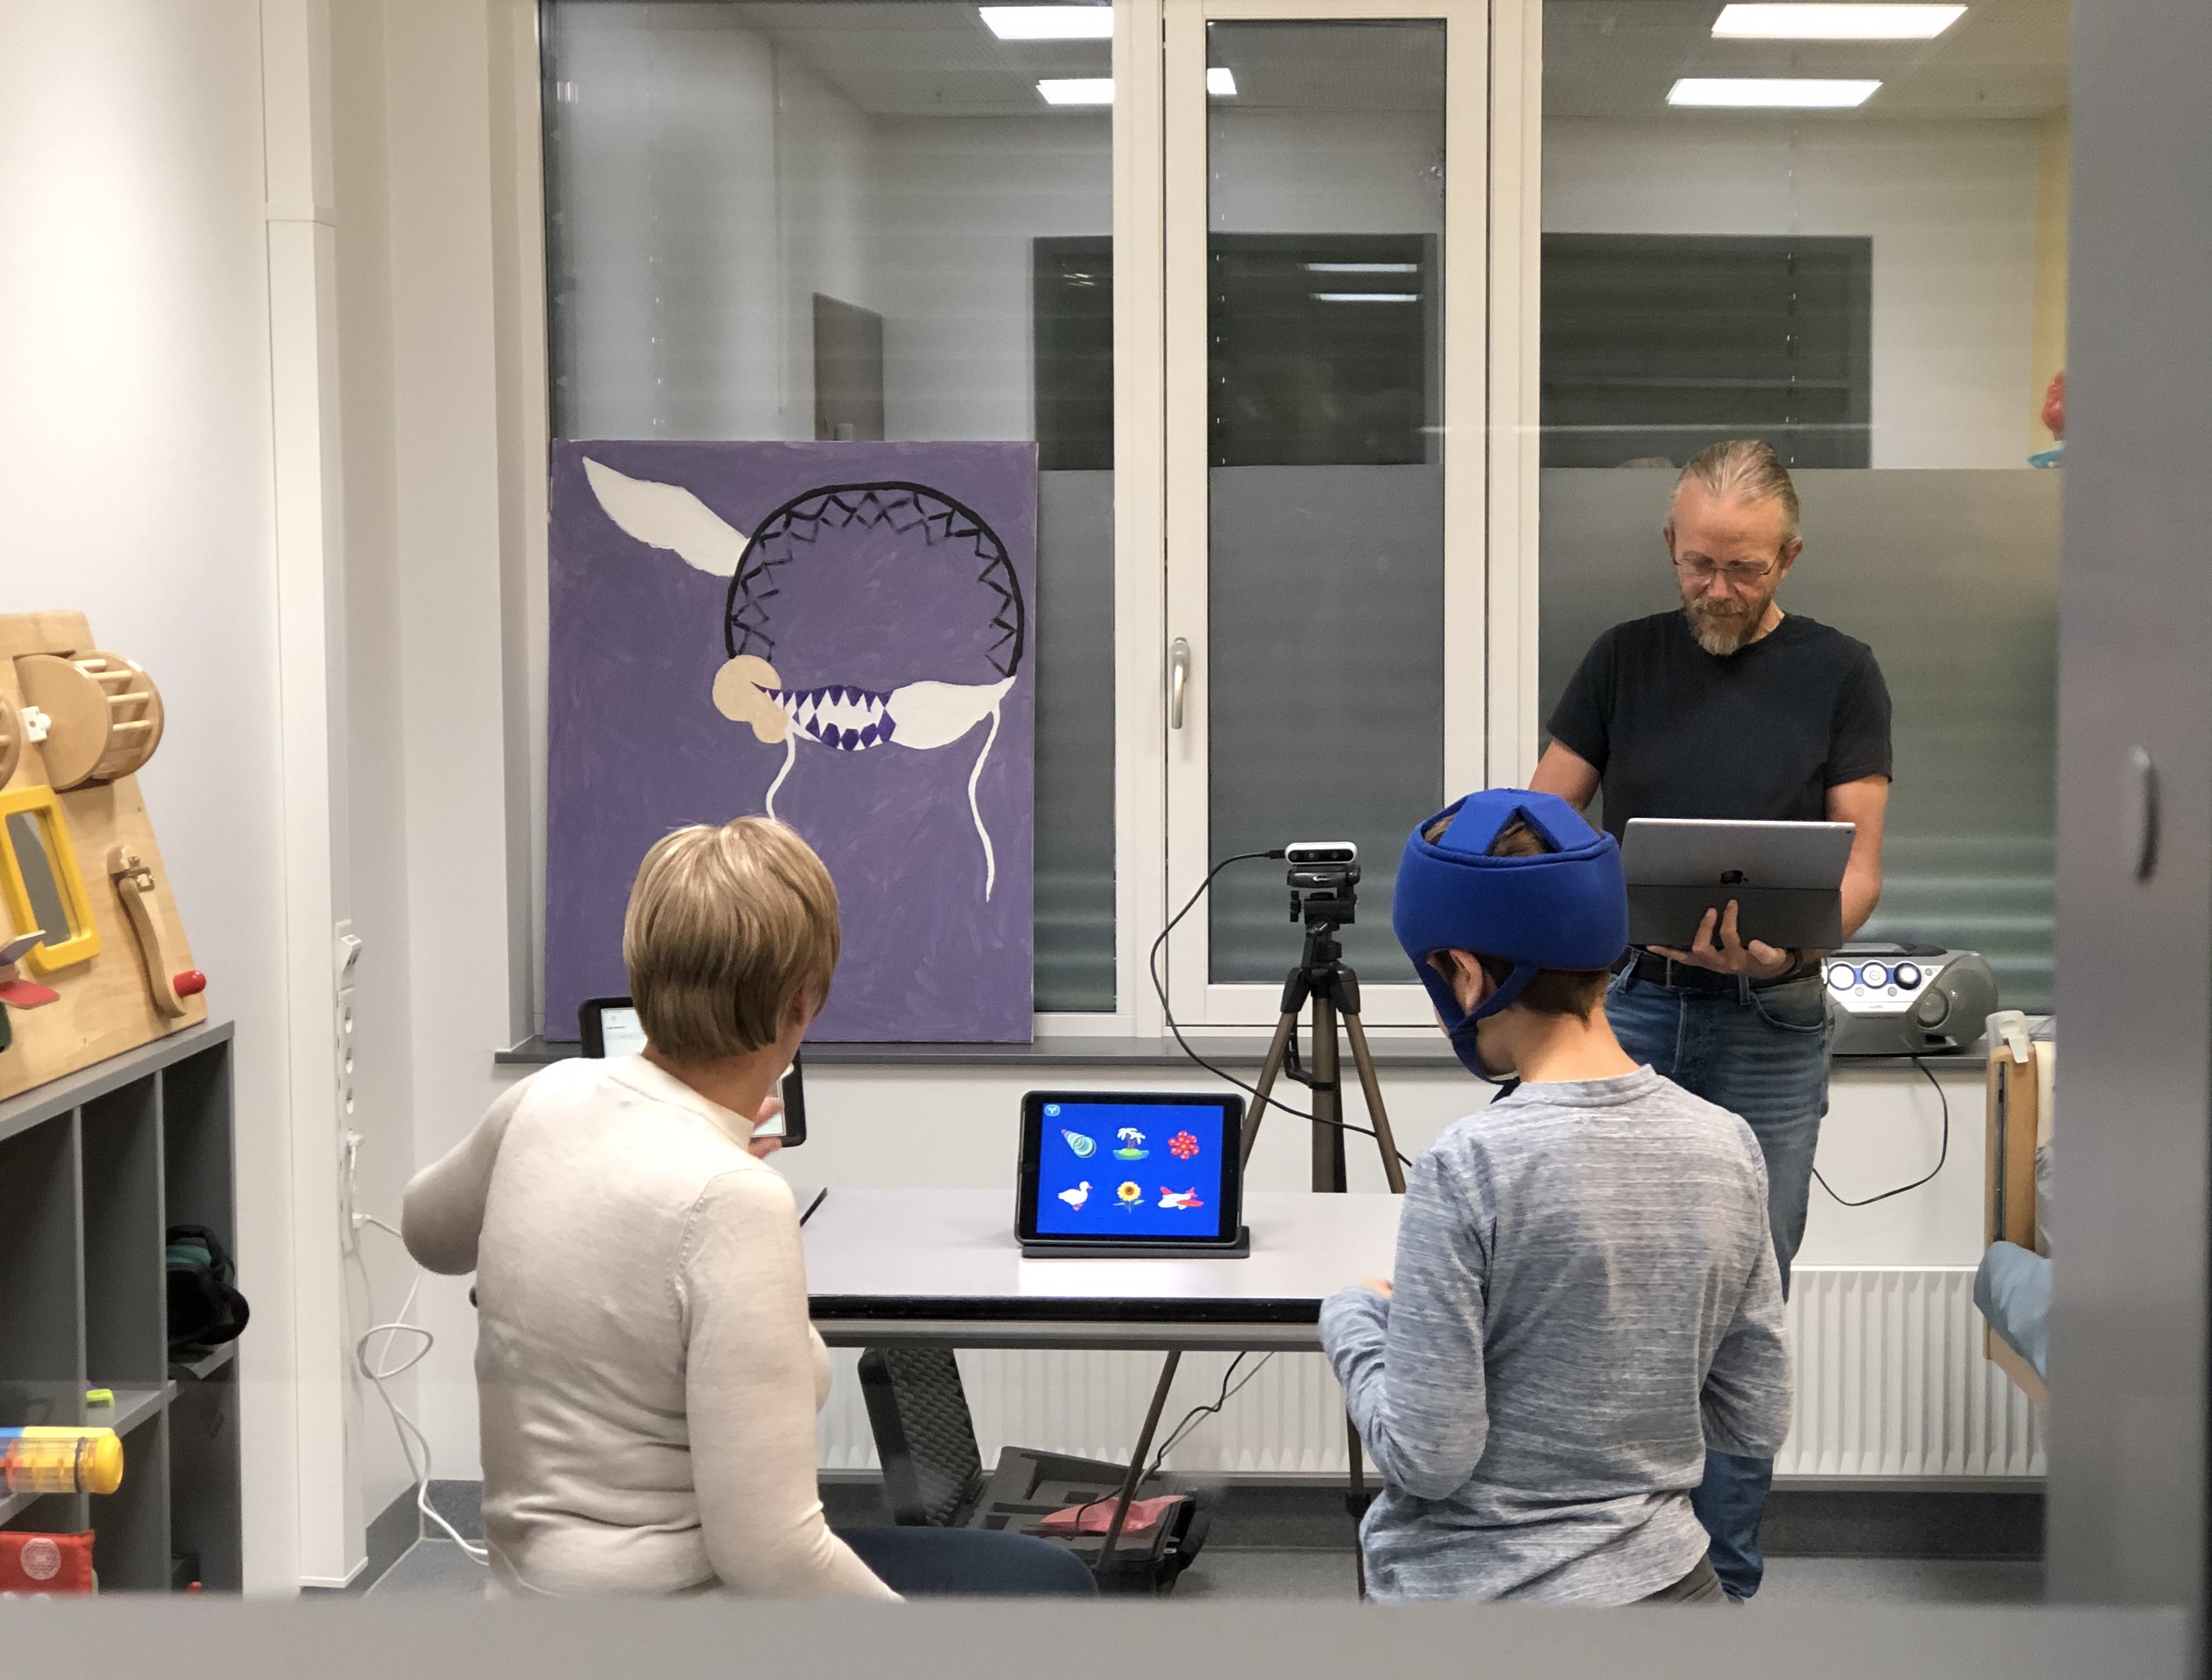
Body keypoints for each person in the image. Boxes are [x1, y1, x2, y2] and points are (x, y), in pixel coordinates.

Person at [402, 818, 1091, 1599]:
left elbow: (429, 1234)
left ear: (643, 969)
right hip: (668, 1618)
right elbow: (771, 1556)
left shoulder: (547, 1095)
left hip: (528, 1601)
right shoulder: (732, 1201)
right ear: (802, 1002)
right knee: (1051, 1584)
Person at [1529, 437, 1893, 1600]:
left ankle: (1721, 1584)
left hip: (1770, 1024)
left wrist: (1798, 944)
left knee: (1746, 1308)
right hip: (1627, 1010)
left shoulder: (1841, 672)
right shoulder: (1621, 659)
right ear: (1670, 547)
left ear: (1789, 556)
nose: (1717, 589)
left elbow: (1858, 868)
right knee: (1601, 1289)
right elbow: (1541, 824)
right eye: (1698, 563)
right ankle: (1600, 1566)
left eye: (1743, 568)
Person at [1319, 789, 1790, 1604]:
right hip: (1677, 1593)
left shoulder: (1466, 1164)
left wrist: (1355, 1320)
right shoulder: (1728, 1144)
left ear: (1466, 973)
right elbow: (1753, 1416)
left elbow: (1428, 1459)